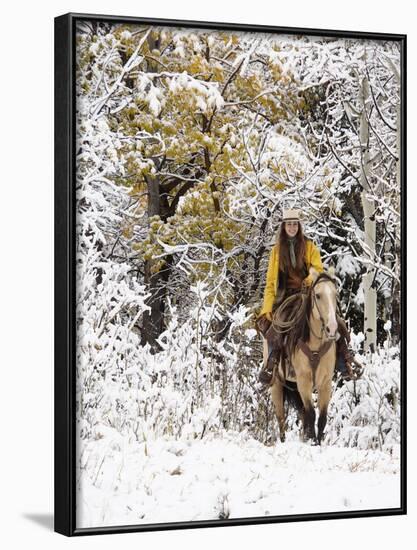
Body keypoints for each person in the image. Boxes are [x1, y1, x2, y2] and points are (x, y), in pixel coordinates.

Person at [256, 208, 362, 386]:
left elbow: (318, 270)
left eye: (294, 224)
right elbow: (270, 284)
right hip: (286, 298)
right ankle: (271, 365)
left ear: (298, 226)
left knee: (333, 318)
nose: (292, 228)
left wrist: (308, 280)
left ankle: (345, 361)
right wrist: (267, 309)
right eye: (288, 224)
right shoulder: (276, 251)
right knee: (275, 326)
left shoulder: (309, 246)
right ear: (284, 227)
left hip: (308, 294)